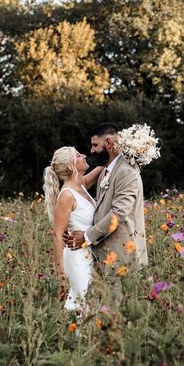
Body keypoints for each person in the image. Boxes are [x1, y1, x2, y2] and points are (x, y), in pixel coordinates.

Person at [66, 123, 148, 299]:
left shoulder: (126, 171)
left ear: (109, 143)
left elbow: (118, 214)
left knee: (117, 317)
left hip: (122, 257)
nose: (92, 150)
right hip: (105, 258)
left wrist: (86, 236)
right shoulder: (106, 172)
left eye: (95, 145)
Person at [43, 147, 103, 310]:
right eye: (78, 155)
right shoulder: (67, 195)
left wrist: (127, 149)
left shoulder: (81, 185)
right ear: (70, 167)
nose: (84, 155)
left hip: (90, 253)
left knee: (91, 305)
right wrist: (61, 277)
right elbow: (57, 236)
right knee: (81, 304)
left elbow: (104, 164)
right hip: (76, 256)